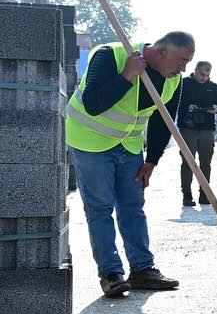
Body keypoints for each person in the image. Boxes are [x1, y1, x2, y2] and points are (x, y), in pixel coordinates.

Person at [66, 32, 194, 298]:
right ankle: (112, 274)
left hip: (129, 147)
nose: (184, 68)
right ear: (161, 52)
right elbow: (92, 104)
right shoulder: (110, 55)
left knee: (133, 206)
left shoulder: (173, 80)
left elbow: (164, 121)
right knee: (100, 207)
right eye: (182, 60)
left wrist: (152, 161)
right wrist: (127, 76)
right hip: (91, 141)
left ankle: (142, 269)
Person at [177, 61, 217, 207]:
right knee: (187, 162)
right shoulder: (183, 84)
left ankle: (204, 194)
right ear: (195, 70)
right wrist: (188, 107)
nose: (203, 77)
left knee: (206, 163)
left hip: (207, 129)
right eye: (201, 74)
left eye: (206, 75)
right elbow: (173, 101)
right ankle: (186, 195)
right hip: (188, 129)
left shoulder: (214, 87)